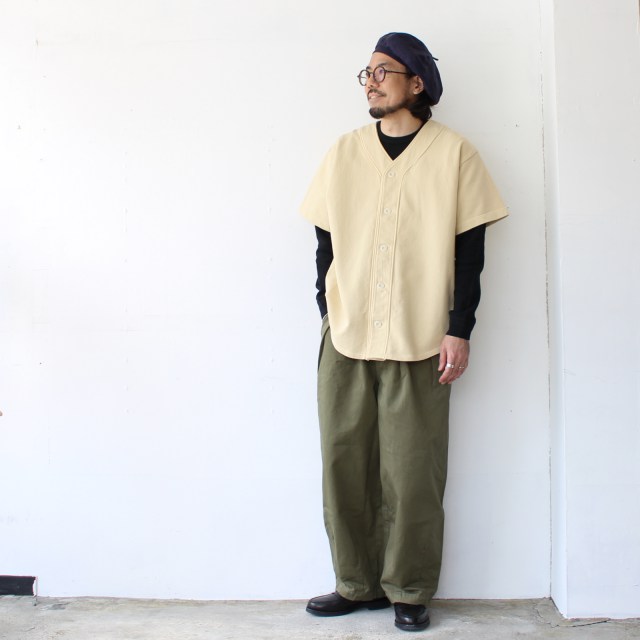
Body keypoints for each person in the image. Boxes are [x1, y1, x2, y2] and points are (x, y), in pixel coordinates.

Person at [300, 32, 508, 632]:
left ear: (417, 82)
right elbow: (324, 241)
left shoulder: (455, 154)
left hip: (422, 335)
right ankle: (355, 583)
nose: (370, 82)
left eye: (383, 71)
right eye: (365, 73)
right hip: (347, 333)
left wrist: (459, 328)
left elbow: (471, 253)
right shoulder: (344, 152)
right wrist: (327, 306)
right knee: (342, 461)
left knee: (413, 471)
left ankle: (409, 589)